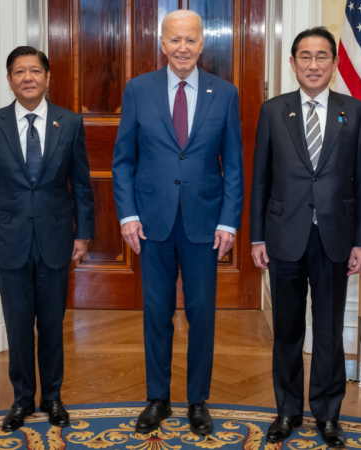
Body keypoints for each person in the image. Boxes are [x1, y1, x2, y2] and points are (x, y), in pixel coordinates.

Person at [111, 9, 244, 437]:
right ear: (161, 43)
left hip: (206, 224)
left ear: (203, 44)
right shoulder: (138, 89)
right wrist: (128, 215)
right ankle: (158, 398)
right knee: (156, 313)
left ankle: (198, 400)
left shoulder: (225, 93)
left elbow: (235, 166)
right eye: (174, 40)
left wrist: (229, 222)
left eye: (190, 40)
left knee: (202, 314)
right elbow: (123, 161)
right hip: (152, 224)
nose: (182, 48)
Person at [249, 27, 361, 446]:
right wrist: (256, 238)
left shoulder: (354, 112)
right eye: (305, 56)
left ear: (334, 64)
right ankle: (288, 411)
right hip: (283, 236)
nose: (314, 64)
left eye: (322, 56)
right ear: (293, 63)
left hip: (335, 238)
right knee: (286, 330)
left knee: (328, 330)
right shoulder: (272, 111)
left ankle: (327, 414)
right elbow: (260, 180)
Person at [0, 46, 95, 432]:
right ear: (9, 80)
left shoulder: (69, 123)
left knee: (53, 326)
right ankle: (22, 399)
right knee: (19, 326)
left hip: (57, 241)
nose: (28, 78)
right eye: (20, 72)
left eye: (35, 71)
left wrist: (84, 234)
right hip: (7, 242)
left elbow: (82, 185)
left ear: (47, 77)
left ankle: (52, 398)